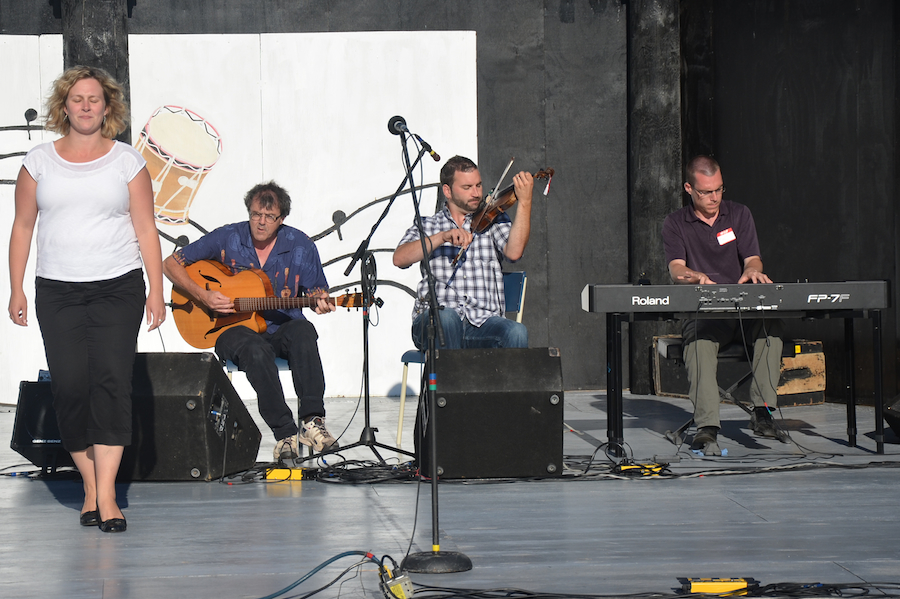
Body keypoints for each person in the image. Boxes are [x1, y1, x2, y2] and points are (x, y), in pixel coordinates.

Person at [8, 66, 166, 533]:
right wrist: (15, 286)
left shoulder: (127, 162)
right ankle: (90, 486)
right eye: (77, 98)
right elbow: (22, 227)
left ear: (107, 107)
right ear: (64, 105)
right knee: (71, 388)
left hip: (117, 286)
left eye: (94, 99)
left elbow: (145, 228)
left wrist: (156, 289)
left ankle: (108, 495)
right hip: (57, 290)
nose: (85, 106)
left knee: (112, 385)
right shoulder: (37, 162)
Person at [162, 181, 339, 461]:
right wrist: (204, 295)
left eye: (270, 217)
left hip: (282, 327)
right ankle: (284, 434)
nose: (261, 222)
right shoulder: (227, 237)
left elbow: (317, 289)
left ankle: (311, 422)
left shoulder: (300, 245)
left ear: (282, 219)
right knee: (256, 351)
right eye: (256, 214)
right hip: (231, 330)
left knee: (304, 331)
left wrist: (320, 300)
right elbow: (170, 264)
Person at [662, 155, 786, 455]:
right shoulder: (676, 223)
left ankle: (763, 412)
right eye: (706, 192)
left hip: (742, 309)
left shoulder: (739, 214)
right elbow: (676, 269)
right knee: (699, 341)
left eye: (719, 189)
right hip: (705, 312)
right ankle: (706, 427)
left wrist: (752, 270)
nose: (714, 197)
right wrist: (693, 276)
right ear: (689, 188)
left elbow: (752, 257)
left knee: (772, 325)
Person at [393, 155, 532, 350]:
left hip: (482, 323)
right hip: (435, 323)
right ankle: (451, 381)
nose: (476, 193)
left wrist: (524, 202)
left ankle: (504, 382)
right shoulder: (428, 225)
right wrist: (441, 238)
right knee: (447, 318)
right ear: (447, 191)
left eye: (478, 186)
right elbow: (399, 258)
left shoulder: (493, 220)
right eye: (467, 188)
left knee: (516, 331)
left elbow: (514, 252)